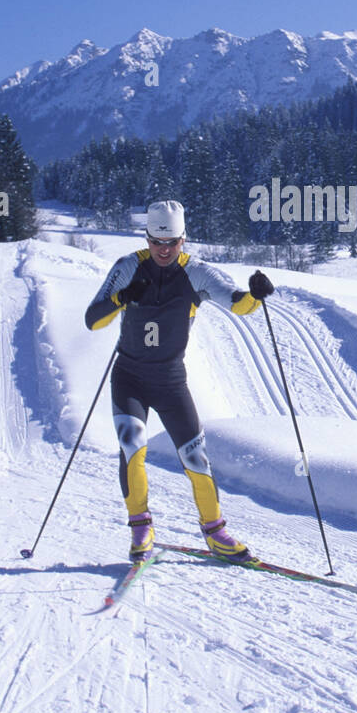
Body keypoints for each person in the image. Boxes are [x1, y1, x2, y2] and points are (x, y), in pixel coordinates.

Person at [84, 200, 274, 564]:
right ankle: (141, 529)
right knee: (132, 449)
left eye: (172, 242)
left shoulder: (197, 273)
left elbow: (238, 305)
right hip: (130, 378)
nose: (165, 250)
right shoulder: (127, 267)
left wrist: (257, 294)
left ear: (184, 239)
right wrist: (122, 298)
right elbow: (92, 320)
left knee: (196, 458)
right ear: (147, 238)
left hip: (171, 380)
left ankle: (216, 535)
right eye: (157, 242)